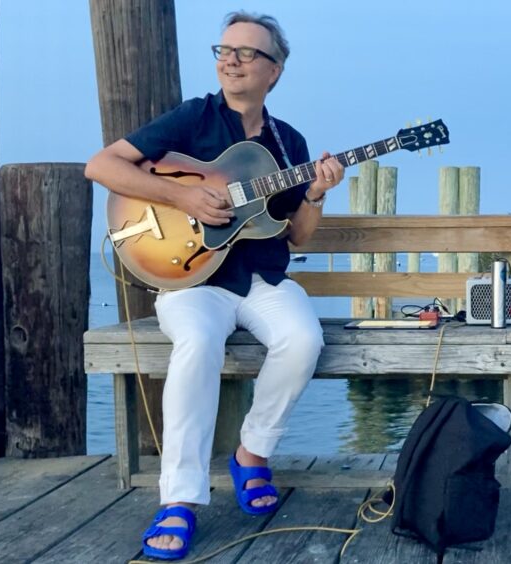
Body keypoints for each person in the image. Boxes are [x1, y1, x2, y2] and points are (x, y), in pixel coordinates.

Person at [84, 11, 344, 560]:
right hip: (192, 279)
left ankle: (252, 453)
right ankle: (179, 499)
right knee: (197, 345)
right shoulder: (192, 119)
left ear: (274, 71)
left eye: (246, 53)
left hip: (262, 279)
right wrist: (185, 197)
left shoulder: (287, 140)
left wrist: (317, 193)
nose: (230, 60)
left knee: (303, 341)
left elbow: (296, 235)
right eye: (224, 50)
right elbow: (102, 166)